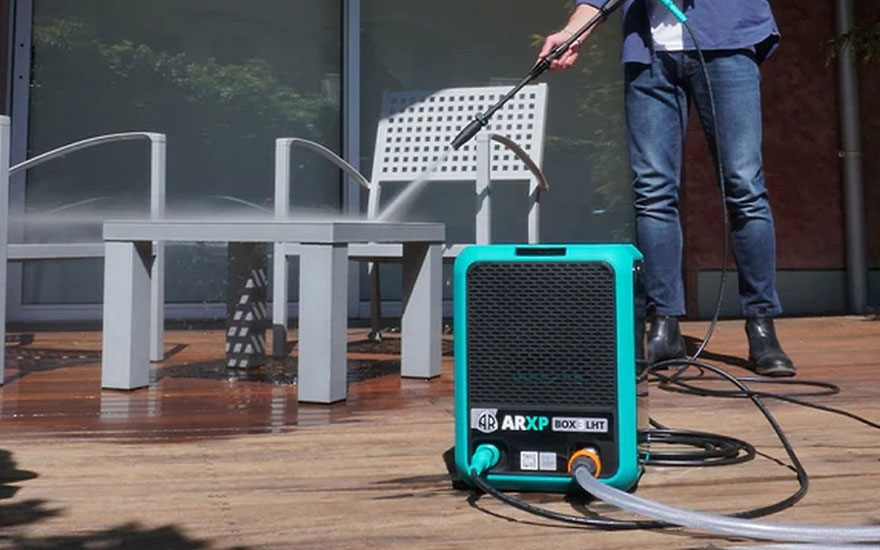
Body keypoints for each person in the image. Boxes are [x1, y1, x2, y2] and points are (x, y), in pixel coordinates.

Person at [540, 0, 795, 376]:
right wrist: (573, 31)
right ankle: (664, 325)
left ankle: (762, 326)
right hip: (650, 54)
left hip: (727, 44)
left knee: (744, 186)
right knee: (652, 192)